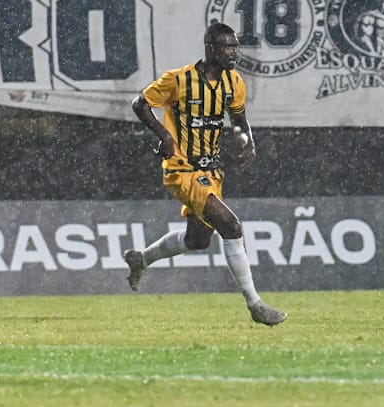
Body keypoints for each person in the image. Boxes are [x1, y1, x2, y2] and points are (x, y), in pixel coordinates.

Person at [121, 23, 286, 326]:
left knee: (197, 240)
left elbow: (239, 120)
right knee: (232, 226)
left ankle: (141, 259)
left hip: (211, 170)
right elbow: (140, 104)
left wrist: (247, 143)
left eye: (236, 47)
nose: (235, 53)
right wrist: (164, 136)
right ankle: (256, 305)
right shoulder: (180, 80)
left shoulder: (234, 83)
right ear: (211, 48)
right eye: (228, 47)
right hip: (183, 169)